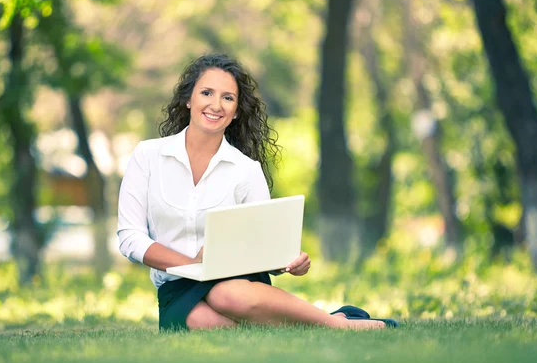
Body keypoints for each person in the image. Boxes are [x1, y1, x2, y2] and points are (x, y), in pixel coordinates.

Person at [117, 53, 392, 331]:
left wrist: (289, 261)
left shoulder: (245, 169)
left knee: (228, 294)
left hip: (237, 284)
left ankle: (339, 326)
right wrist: (191, 264)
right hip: (176, 288)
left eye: (228, 97)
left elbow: (264, 244)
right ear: (188, 99)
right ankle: (336, 320)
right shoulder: (148, 155)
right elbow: (130, 237)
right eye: (207, 93)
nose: (216, 104)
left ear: (236, 110)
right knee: (206, 324)